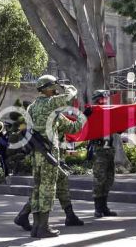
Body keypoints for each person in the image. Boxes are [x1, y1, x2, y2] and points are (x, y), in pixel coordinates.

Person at [13, 108, 84, 232]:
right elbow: (74, 127)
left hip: (45, 157)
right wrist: (84, 116)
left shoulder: (34, 112)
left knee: (56, 186)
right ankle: (26, 216)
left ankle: (69, 215)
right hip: (50, 157)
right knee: (48, 188)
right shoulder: (56, 116)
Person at [26, 75, 77, 238]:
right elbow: (72, 93)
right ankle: (44, 227)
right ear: (48, 88)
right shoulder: (50, 103)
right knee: (48, 188)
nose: (55, 90)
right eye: (54, 87)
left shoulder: (32, 107)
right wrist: (65, 85)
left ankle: (36, 226)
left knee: (37, 188)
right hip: (48, 152)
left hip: (36, 153)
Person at [89, 89, 119, 218]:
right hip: (99, 150)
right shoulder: (92, 113)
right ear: (97, 100)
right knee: (99, 179)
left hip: (109, 150)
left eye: (106, 99)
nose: (105, 101)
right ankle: (98, 208)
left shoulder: (109, 114)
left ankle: (104, 207)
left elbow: (120, 128)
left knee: (108, 179)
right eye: (102, 99)